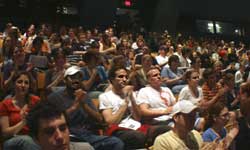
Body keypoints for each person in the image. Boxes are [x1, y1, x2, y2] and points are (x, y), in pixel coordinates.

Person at [47, 65, 124, 150]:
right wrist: (75, 106)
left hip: (87, 134)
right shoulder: (54, 97)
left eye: (79, 77)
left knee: (116, 143)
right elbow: (52, 122)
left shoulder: (84, 95)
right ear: (65, 80)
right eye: (72, 77)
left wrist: (84, 105)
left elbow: (99, 119)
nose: (76, 80)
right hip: (69, 135)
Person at [99, 66, 147, 149]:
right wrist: (125, 103)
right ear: (112, 79)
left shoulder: (130, 94)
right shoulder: (105, 96)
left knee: (162, 130)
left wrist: (132, 98)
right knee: (138, 136)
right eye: (120, 77)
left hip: (134, 125)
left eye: (126, 77)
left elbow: (138, 118)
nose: (124, 79)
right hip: (118, 130)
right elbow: (110, 122)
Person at [26, 100, 94, 150]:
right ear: (36, 139)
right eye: (49, 132)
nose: (60, 137)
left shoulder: (86, 148)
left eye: (63, 128)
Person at [0, 71, 40, 150]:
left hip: (33, 138)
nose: (23, 85)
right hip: (11, 140)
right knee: (26, 140)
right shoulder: (5, 104)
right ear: (13, 84)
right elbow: (5, 133)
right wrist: (24, 122)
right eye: (19, 82)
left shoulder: (35, 101)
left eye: (26, 83)